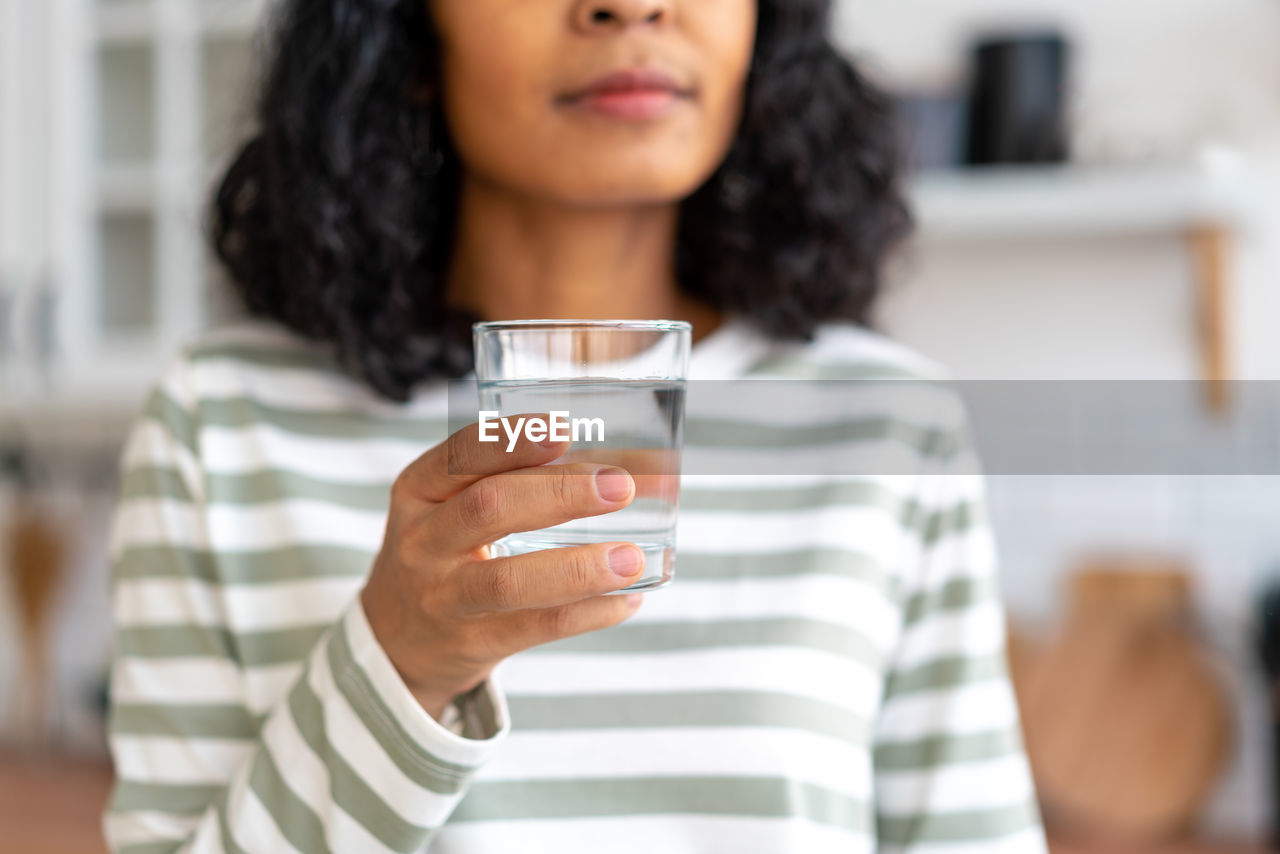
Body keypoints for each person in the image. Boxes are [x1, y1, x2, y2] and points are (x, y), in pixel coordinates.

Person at [103, 0, 1047, 851]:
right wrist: (396, 668)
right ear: (407, 34)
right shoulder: (221, 423)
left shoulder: (889, 422)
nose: (631, 7)